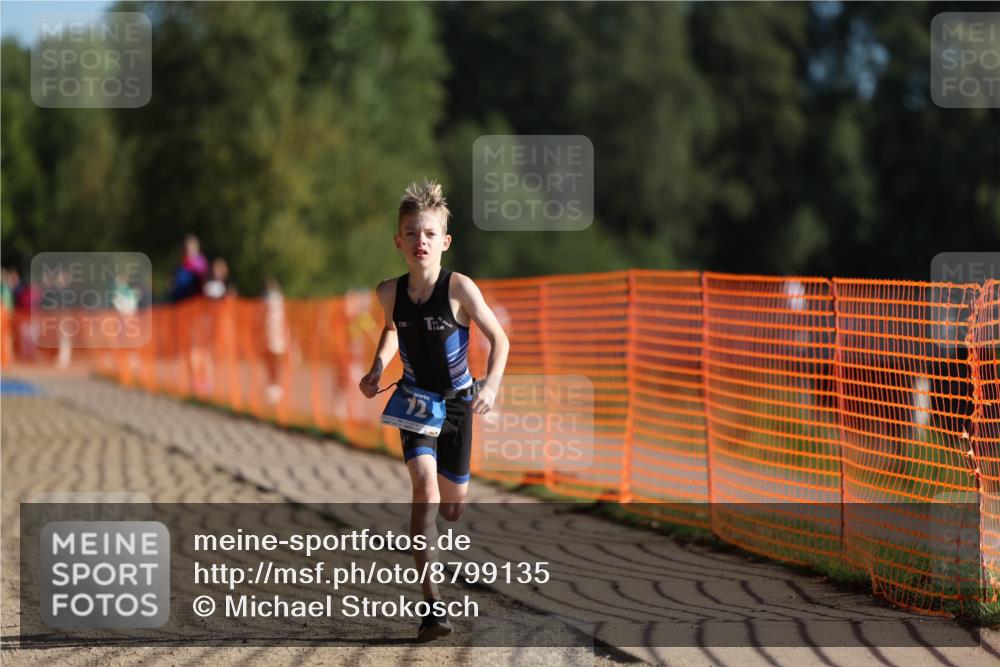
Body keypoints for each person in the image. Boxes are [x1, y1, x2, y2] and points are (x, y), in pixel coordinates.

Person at [359, 180, 510, 641]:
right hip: (415, 401)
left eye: (428, 233)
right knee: (423, 491)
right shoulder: (389, 292)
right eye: (411, 233)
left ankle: (442, 541)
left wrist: (492, 387)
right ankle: (433, 607)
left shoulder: (460, 288)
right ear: (398, 241)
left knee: (452, 510)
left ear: (444, 242)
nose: (419, 241)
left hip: (461, 403)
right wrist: (376, 368)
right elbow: (390, 329)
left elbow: (500, 340)